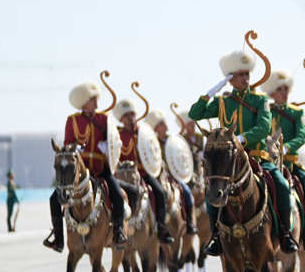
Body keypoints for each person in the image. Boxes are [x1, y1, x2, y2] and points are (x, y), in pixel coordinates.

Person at [188, 48, 298, 255]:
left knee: (281, 185)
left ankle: (284, 234)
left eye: (247, 74)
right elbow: (196, 113)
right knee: (212, 190)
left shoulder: (259, 101)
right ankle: (215, 237)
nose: (245, 79)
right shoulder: (223, 102)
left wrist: (240, 139)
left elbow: (264, 127)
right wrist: (212, 91)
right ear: (230, 79)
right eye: (240, 75)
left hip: (256, 156)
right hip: (229, 161)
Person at [45, 80, 130, 252]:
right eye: (93, 100)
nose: (96, 103)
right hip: (80, 172)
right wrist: (75, 148)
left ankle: (119, 232)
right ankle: (59, 239)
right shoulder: (72, 121)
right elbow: (68, 144)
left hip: (100, 169)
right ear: (84, 102)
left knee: (118, 196)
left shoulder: (103, 119)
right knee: (54, 199)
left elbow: (114, 142)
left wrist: (108, 146)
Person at [262, 67, 305, 252]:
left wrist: (286, 147)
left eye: (286, 88)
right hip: (269, 164)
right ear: (271, 93)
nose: (284, 92)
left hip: (290, 164)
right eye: (280, 89)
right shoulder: (265, 112)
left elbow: (302, 136)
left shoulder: (295, 112)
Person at [113, 97, 174, 246]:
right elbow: (114, 154)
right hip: (124, 174)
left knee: (159, 192)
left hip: (144, 173)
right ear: (121, 119)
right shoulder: (117, 135)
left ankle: (161, 228)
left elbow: (154, 152)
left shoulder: (144, 133)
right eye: (127, 116)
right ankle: (116, 228)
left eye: (132, 114)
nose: (131, 118)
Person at [144, 110, 196, 238]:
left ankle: (189, 223)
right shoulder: (151, 143)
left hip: (173, 176)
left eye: (164, 123)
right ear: (156, 128)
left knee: (187, 192)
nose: (166, 126)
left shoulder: (172, 141)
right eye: (162, 124)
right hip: (156, 176)